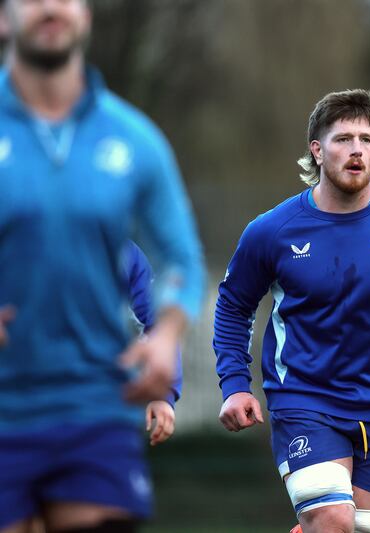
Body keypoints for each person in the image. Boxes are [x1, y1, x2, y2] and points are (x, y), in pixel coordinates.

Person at [213, 89, 370, 533]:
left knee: (361, 530)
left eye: (367, 139)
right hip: (305, 400)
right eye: (343, 139)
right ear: (317, 150)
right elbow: (233, 306)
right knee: (332, 519)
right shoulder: (273, 231)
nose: (356, 150)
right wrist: (234, 385)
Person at [0, 0, 205, 531]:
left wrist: (166, 338)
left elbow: (179, 259)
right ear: (4, 18)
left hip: (96, 409)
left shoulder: (136, 139)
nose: (50, 6)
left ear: (86, 15)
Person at [125, 241, 182, 447]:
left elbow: (157, 325)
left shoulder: (123, 250)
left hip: (102, 398)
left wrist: (162, 394)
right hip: (36, 396)